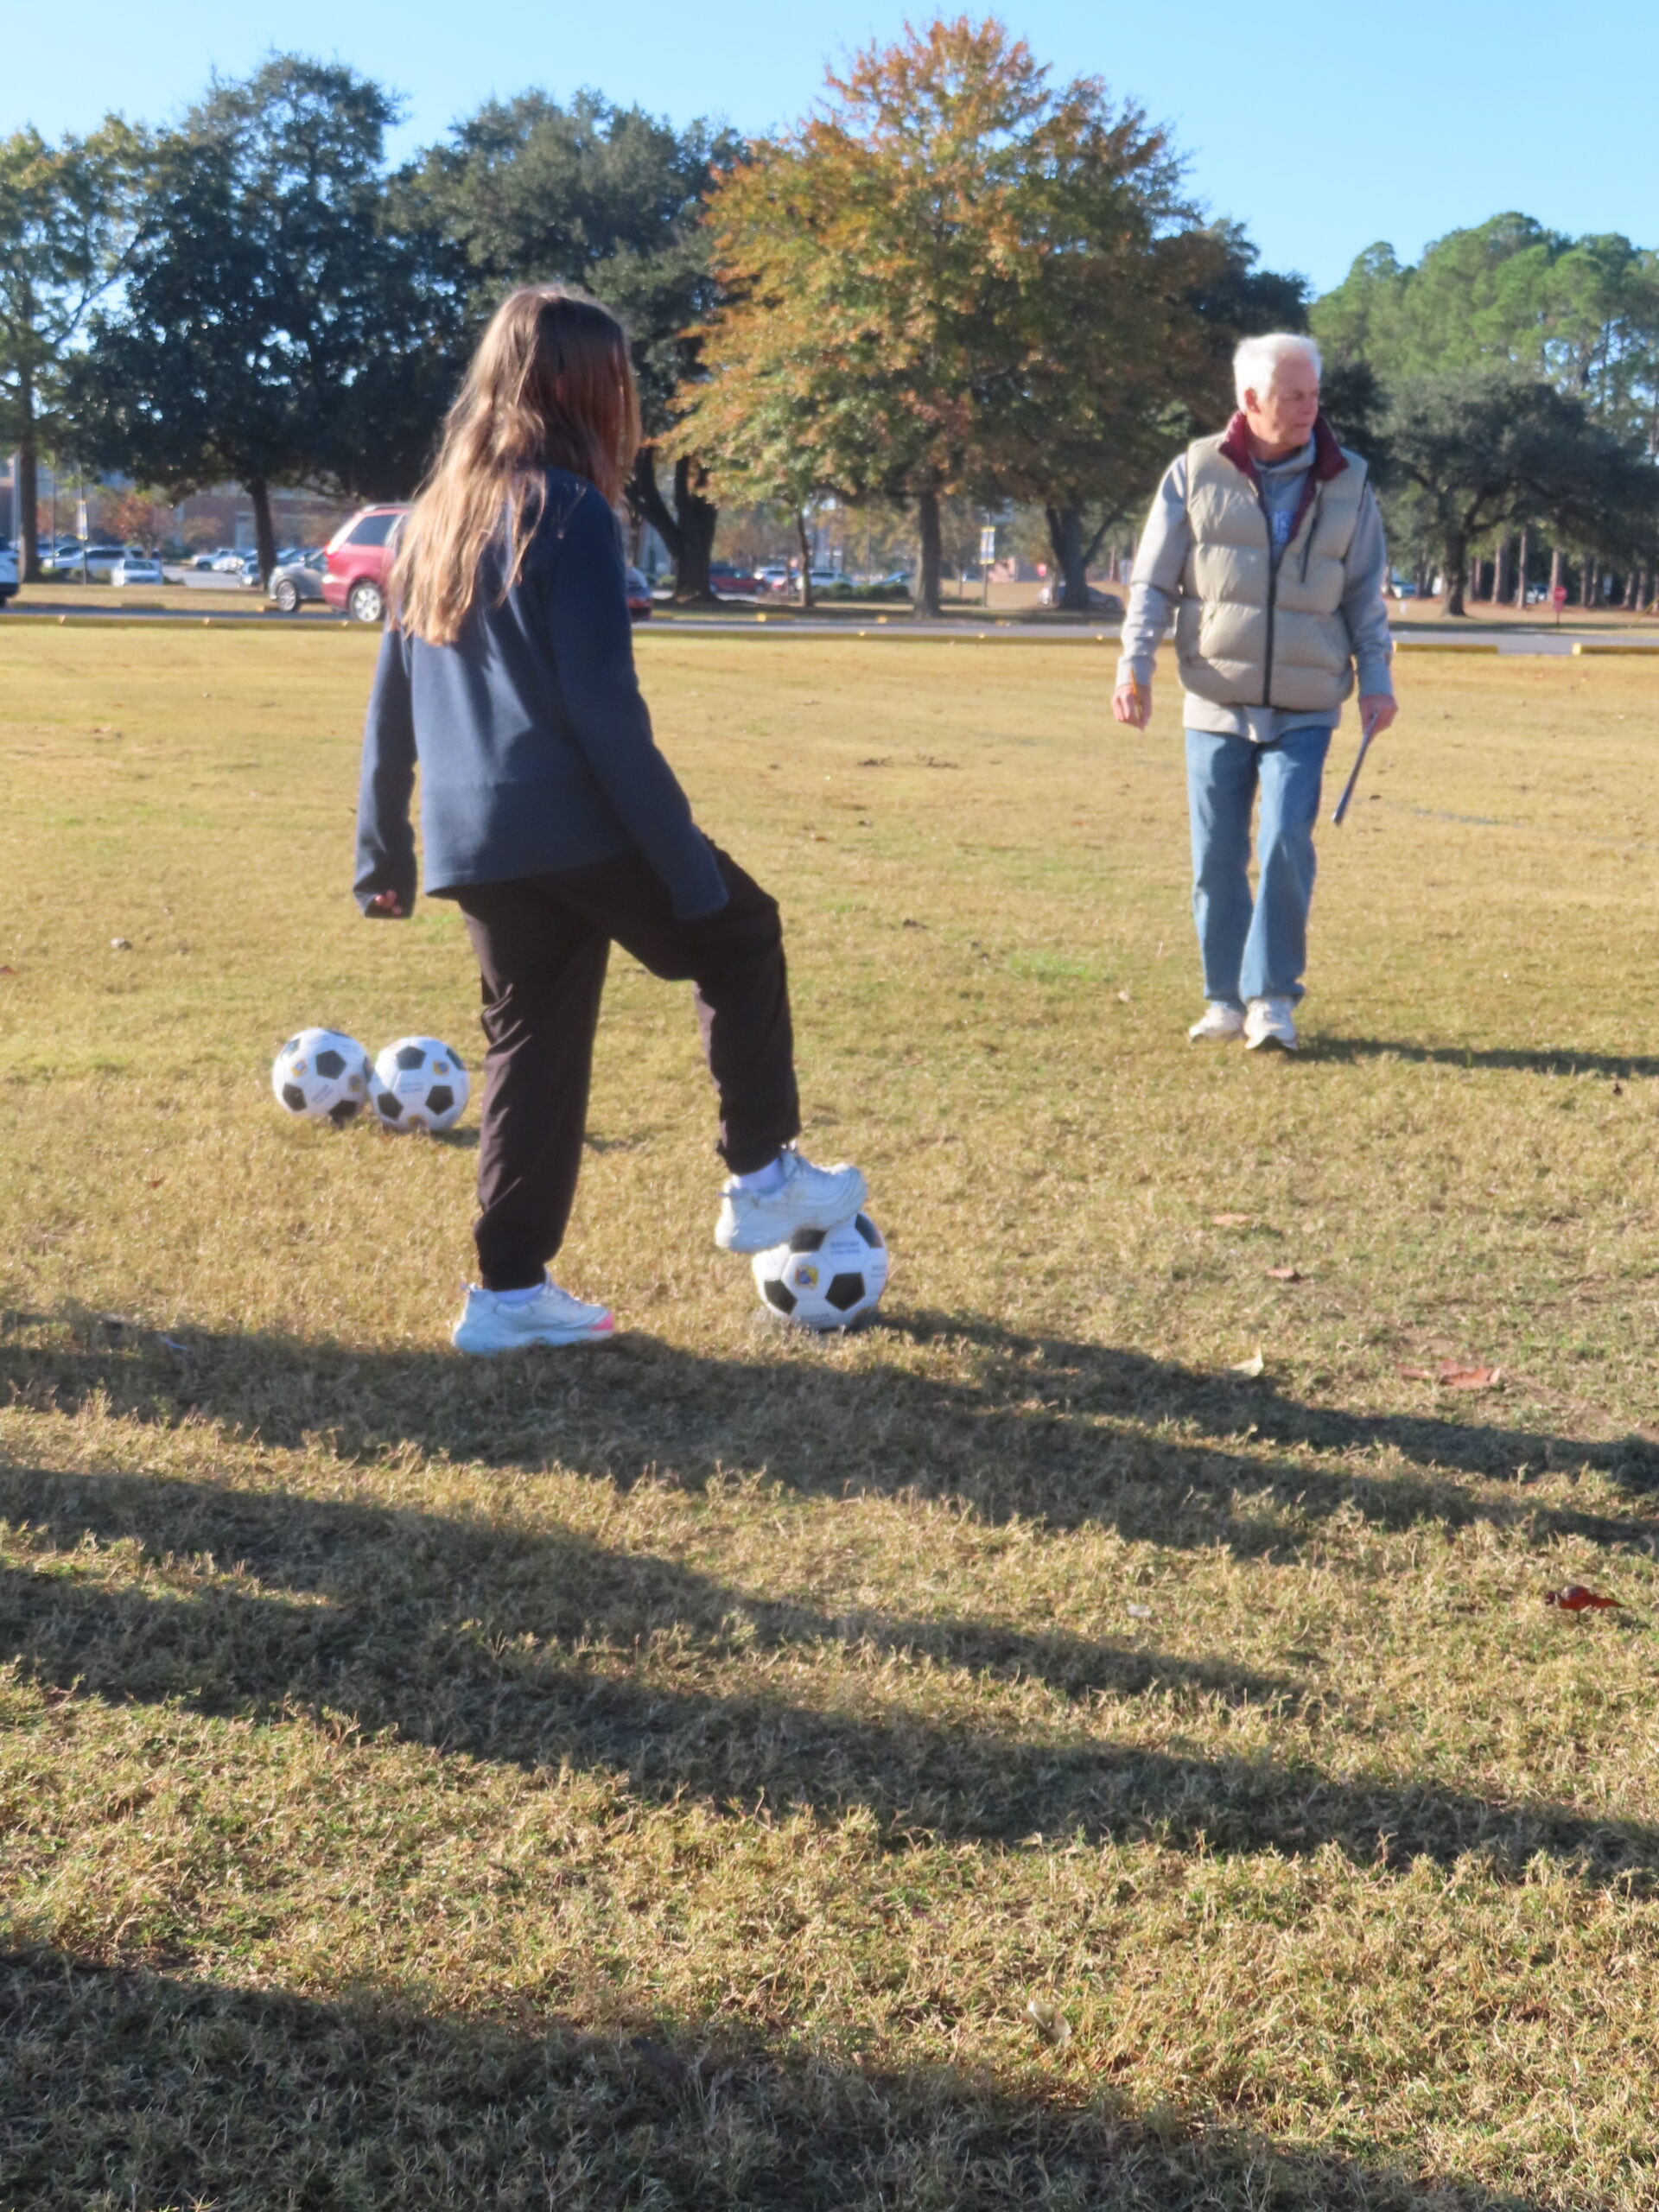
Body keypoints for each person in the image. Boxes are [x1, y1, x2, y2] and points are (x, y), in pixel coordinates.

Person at [353, 284, 866, 1352]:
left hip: (473, 840)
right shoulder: (571, 512)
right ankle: (762, 1175)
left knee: (530, 1051)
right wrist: (684, 863)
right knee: (741, 931)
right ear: (586, 391)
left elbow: (391, 703)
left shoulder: (431, 519)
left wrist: (382, 847)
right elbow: (603, 711)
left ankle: (507, 1295)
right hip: (571, 818)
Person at [1111, 334, 1398, 1052]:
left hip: (1308, 702)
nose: (1309, 409)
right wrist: (1133, 665)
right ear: (1250, 400)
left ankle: (1271, 999)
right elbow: (1153, 582)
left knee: (1285, 843)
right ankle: (1224, 1000)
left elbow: (1365, 594)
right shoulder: (1194, 471)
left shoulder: (1351, 481)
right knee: (1216, 858)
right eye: (1292, 396)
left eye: (1314, 395)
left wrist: (1377, 680)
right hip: (1215, 698)